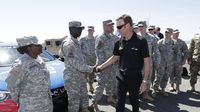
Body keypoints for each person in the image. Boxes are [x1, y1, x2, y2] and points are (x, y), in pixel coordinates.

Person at [96, 14, 150, 112]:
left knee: (135, 103)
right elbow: (115, 57)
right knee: (119, 103)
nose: (117, 29)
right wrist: (101, 66)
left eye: (119, 27)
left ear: (128, 26)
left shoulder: (141, 41)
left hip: (135, 78)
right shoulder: (119, 42)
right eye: (117, 27)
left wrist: (145, 81)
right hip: (121, 78)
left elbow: (147, 62)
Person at [6, 36, 53, 112]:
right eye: (37, 45)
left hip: (46, 104)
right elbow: (11, 84)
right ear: (29, 48)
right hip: (31, 107)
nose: (41, 46)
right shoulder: (19, 65)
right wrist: (21, 101)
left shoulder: (39, 59)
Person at [61, 21, 95, 112]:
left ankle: (84, 109)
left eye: (81, 29)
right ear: (72, 29)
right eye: (79, 29)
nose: (81, 31)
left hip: (80, 76)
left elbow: (81, 60)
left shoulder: (76, 42)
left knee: (84, 96)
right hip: (72, 79)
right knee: (74, 102)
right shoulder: (69, 44)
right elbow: (75, 63)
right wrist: (91, 68)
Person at [92, 19, 117, 111]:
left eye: (112, 25)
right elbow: (98, 53)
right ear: (104, 26)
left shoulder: (113, 37)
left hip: (113, 65)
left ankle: (110, 97)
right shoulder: (100, 37)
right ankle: (94, 102)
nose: (112, 27)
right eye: (109, 25)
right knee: (101, 84)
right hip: (103, 66)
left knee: (111, 82)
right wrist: (103, 66)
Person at [138, 21, 161, 101]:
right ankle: (136, 94)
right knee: (136, 78)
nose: (141, 28)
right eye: (139, 26)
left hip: (148, 62)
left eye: (142, 26)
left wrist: (157, 61)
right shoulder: (134, 37)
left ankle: (145, 94)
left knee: (147, 78)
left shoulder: (152, 38)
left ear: (145, 27)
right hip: (137, 62)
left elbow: (156, 51)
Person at [152, 28, 177, 97]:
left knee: (166, 77)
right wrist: (156, 62)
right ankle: (154, 90)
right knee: (158, 76)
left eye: (168, 32)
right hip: (161, 63)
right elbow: (155, 53)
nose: (166, 33)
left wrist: (175, 62)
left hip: (170, 63)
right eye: (165, 32)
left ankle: (163, 89)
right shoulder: (160, 42)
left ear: (171, 34)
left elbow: (177, 53)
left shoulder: (174, 43)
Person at [169, 29, 188, 94]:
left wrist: (184, 60)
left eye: (178, 33)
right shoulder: (169, 41)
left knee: (178, 74)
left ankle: (177, 87)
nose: (177, 34)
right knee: (171, 73)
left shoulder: (182, 42)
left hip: (179, 61)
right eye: (175, 33)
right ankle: (172, 86)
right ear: (172, 34)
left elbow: (185, 52)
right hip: (170, 61)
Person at [79, 26, 96, 93]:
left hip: (93, 61)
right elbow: (78, 49)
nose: (90, 32)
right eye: (89, 30)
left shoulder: (96, 39)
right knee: (84, 77)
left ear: (93, 31)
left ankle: (91, 87)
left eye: (91, 30)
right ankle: (84, 91)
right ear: (87, 31)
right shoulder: (82, 39)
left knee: (92, 76)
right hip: (85, 62)